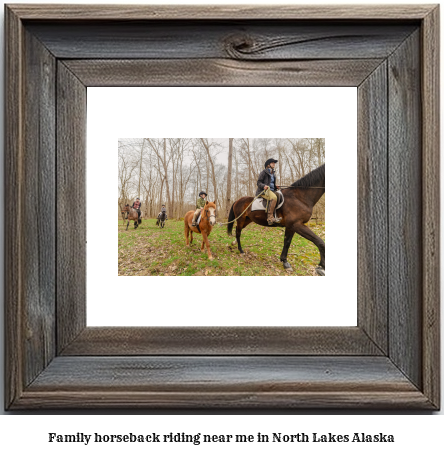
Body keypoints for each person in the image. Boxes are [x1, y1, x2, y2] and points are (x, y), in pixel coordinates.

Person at [256, 158, 282, 225]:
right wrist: (264, 186)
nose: (274, 164)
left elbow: (271, 183)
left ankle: (277, 216)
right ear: (268, 165)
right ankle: (270, 218)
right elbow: (258, 182)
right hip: (263, 191)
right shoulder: (263, 172)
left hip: (272, 190)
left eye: (274, 163)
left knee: (281, 195)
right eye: (272, 162)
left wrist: (275, 186)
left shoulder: (273, 173)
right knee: (274, 197)